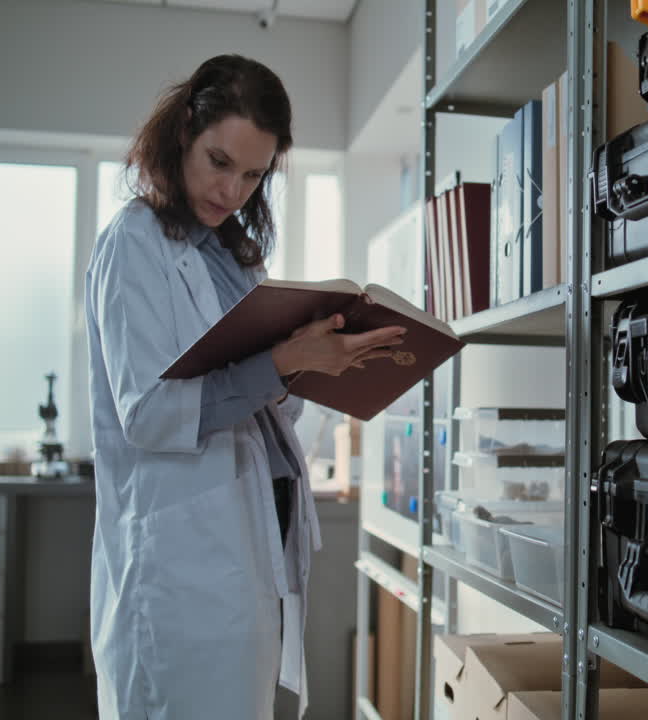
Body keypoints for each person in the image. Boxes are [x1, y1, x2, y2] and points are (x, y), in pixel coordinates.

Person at [84, 54, 406, 720]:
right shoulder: (133, 245)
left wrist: (320, 358)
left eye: (254, 174)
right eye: (219, 161)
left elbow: (263, 397)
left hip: (244, 555)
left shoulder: (234, 256)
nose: (232, 192)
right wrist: (284, 363)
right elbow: (147, 413)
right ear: (181, 135)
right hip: (176, 567)